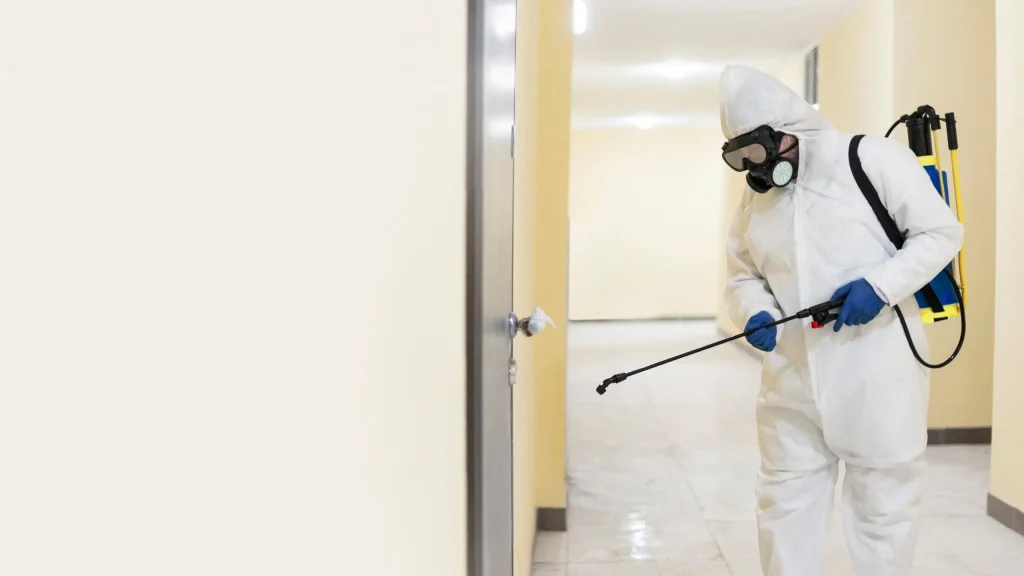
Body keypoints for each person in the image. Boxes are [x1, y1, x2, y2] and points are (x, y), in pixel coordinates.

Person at [720, 65, 963, 575]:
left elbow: (941, 233)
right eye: (743, 158)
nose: (759, 169)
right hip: (791, 381)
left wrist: (880, 287)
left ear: (791, 130)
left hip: (876, 369)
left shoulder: (871, 160)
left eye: (762, 152)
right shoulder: (757, 199)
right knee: (783, 505)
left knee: (884, 510)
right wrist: (755, 311)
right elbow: (743, 273)